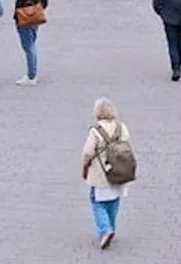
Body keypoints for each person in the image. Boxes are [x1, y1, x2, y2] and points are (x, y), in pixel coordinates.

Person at [80, 98, 130, 249]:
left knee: (98, 203)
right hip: (119, 172)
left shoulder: (95, 131)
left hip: (101, 174)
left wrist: (84, 166)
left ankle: (105, 229)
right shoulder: (121, 128)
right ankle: (111, 228)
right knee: (113, 203)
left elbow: (88, 152)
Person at [13, 0, 49, 85]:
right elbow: (45, 1)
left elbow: (19, 3)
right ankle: (32, 73)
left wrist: (16, 17)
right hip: (35, 17)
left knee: (28, 47)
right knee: (32, 42)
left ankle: (31, 75)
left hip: (25, 18)